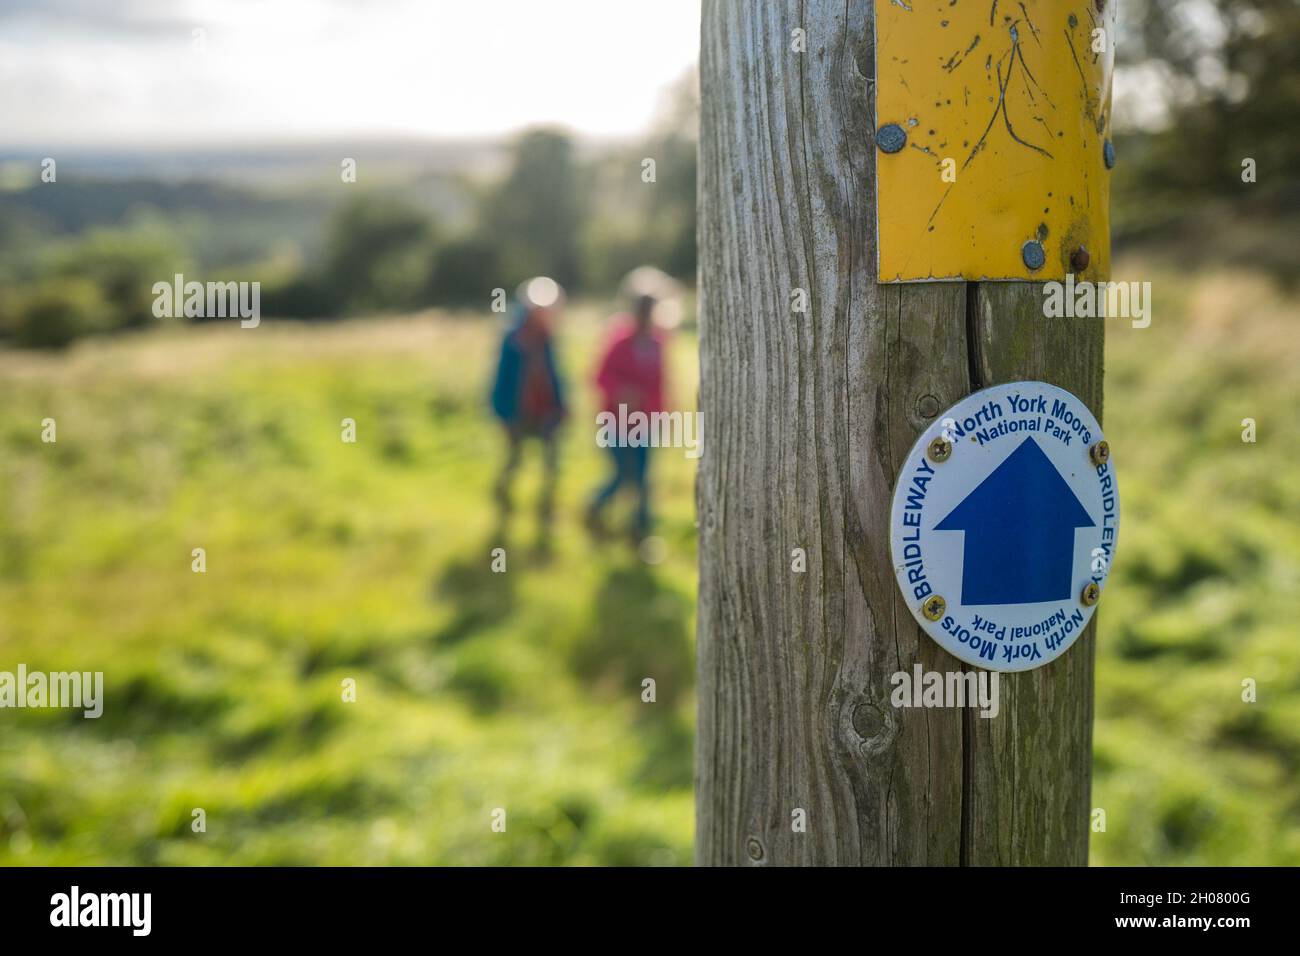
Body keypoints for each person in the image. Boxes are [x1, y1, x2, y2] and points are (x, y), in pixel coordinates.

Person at [490, 277, 567, 536]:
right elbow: (502, 381)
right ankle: (502, 492)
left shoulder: (548, 340)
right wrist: (503, 414)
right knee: (515, 458)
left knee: (552, 460)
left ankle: (546, 504)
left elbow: (555, 375)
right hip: (517, 413)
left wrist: (561, 404)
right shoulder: (513, 341)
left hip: (545, 412)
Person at [586, 292, 665, 542]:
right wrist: (620, 392)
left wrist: (658, 412)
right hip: (616, 422)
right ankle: (594, 508)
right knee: (622, 475)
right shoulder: (619, 342)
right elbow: (599, 376)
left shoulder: (657, 344)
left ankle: (640, 532)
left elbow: (660, 385)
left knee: (643, 480)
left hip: (645, 423)